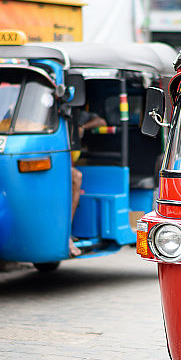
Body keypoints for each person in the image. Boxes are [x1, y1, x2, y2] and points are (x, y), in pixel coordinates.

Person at [69, 108, 107, 256]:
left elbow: (101, 121)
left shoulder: (77, 114)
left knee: (76, 178)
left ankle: (66, 233)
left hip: (68, 165)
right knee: (75, 177)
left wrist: (82, 127)